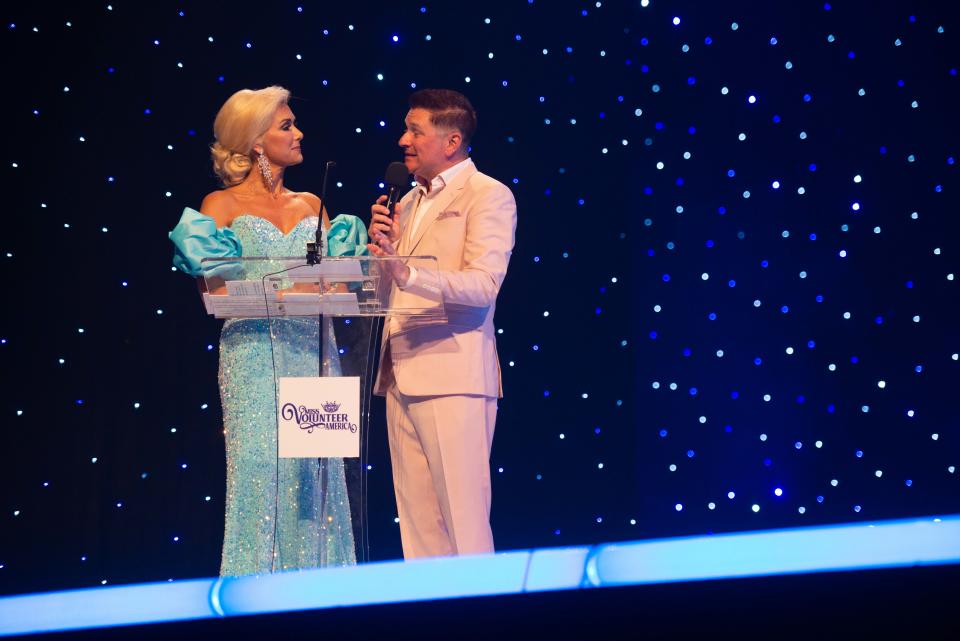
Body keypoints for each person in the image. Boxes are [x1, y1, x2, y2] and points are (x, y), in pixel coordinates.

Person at [168, 86, 368, 576]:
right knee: (263, 474)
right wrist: (284, 289)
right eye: (286, 126)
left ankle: (326, 597)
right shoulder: (219, 205)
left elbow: (341, 282)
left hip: (315, 353)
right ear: (256, 142)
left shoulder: (314, 204)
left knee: (316, 482)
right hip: (253, 355)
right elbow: (210, 289)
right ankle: (255, 598)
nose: (298, 133)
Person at [367, 89, 517, 558]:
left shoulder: (487, 195)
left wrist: (405, 269)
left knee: (463, 527)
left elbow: (482, 287)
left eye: (415, 131)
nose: (402, 140)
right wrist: (376, 257)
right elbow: (386, 292)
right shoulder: (405, 202)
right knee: (419, 532)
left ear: (451, 141)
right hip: (399, 377)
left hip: (453, 378)